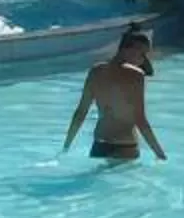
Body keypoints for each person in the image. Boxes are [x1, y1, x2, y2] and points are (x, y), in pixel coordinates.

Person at [64, 26, 167, 164]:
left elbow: (81, 112)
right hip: (125, 146)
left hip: (99, 145)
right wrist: (159, 153)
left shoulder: (95, 71)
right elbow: (140, 120)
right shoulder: (136, 75)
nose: (143, 60)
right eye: (142, 54)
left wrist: (67, 145)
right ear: (128, 49)